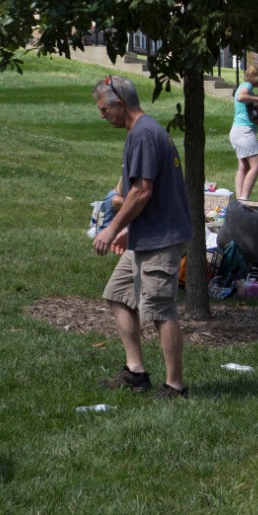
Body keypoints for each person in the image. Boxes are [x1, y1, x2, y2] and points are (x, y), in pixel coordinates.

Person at [92, 76, 192, 398]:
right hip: (146, 235)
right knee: (118, 294)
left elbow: (142, 190)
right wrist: (127, 229)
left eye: (104, 109)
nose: (102, 115)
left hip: (161, 240)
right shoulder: (141, 131)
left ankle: (174, 386)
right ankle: (136, 373)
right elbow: (151, 193)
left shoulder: (145, 134)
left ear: (120, 104)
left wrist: (110, 228)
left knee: (161, 310)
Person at [230, 63, 258, 201]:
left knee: (244, 166)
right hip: (244, 131)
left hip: (237, 131)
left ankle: (240, 200)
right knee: (257, 165)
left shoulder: (245, 87)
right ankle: (244, 199)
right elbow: (241, 97)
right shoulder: (247, 86)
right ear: (255, 76)